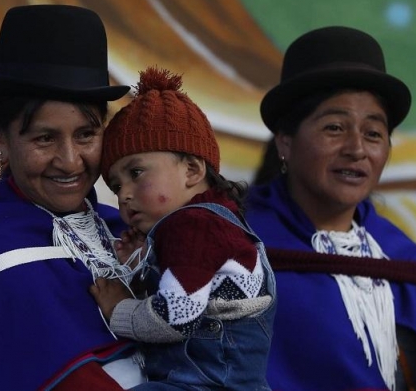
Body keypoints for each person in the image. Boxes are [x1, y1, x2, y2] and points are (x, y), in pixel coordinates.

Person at [246, 26, 416, 390]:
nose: (357, 149)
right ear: (285, 141)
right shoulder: (231, 243)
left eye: (374, 133)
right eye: (335, 127)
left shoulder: (405, 263)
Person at [0, 5, 146, 390]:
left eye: (86, 135)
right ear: (0, 137)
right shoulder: (4, 265)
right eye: (44, 138)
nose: (70, 161)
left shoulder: (119, 229)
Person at [89, 66, 276, 390]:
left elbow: (178, 313)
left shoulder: (193, 226)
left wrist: (118, 309)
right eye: (116, 185)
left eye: (136, 173)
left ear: (191, 169)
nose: (124, 195)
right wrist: (141, 263)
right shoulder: (213, 224)